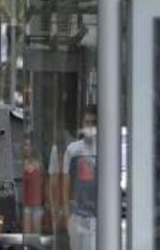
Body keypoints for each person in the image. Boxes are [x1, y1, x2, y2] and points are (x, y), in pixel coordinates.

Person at [62, 105, 98, 250]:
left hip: (98, 217)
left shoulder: (107, 148)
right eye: (87, 123)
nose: (89, 126)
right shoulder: (73, 150)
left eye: (93, 122)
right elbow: (66, 184)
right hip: (78, 216)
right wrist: (67, 216)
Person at [22, 136, 45, 234]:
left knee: (36, 233)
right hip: (25, 205)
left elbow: (43, 185)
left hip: (37, 205)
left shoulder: (39, 165)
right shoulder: (22, 164)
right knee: (27, 234)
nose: (25, 148)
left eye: (28, 145)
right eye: (24, 145)